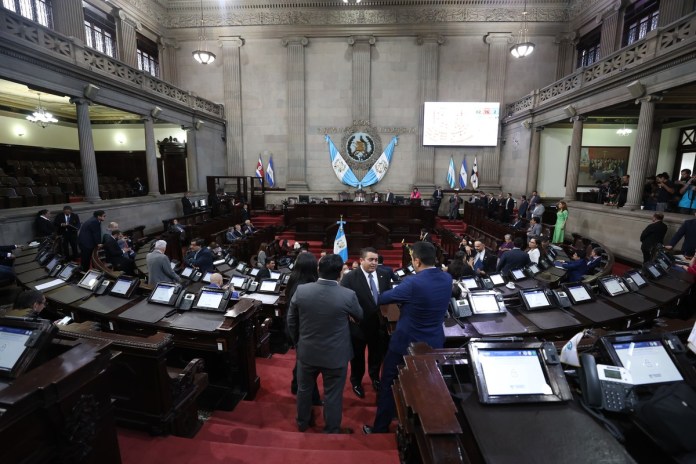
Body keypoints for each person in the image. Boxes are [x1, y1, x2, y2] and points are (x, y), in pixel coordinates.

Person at [363, 241, 452, 434]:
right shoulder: (447, 278)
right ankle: (418, 424)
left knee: (388, 382)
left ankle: (381, 427)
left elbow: (382, 299)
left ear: (417, 261)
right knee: (426, 384)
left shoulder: (413, 282)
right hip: (434, 342)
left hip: (406, 344)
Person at [287, 254, 363, 434]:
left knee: (304, 390)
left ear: (318, 269)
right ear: (339, 274)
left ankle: (302, 423)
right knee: (333, 395)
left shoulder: (302, 291)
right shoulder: (348, 295)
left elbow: (291, 321)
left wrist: (298, 342)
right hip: (336, 355)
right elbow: (360, 316)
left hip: (307, 351)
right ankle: (332, 429)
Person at [340, 247, 392, 399]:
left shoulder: (384, 274)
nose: (374, 263)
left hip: (379, 325)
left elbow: (388, 296)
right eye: (371, 259)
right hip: (358, 326)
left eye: (376, 260)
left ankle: (375, 378)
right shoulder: (350, 277)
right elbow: (344, 299)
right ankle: (356, 381)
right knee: (357, 357)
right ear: (361, 260)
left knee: (376, 355)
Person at [285, 253, 321, 403]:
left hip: (297, 330)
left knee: (302, 362)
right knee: (311, 367)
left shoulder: (294, 280)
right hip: (304, 331)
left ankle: (295, 384)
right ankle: (312, 398)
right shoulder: (305, 286)